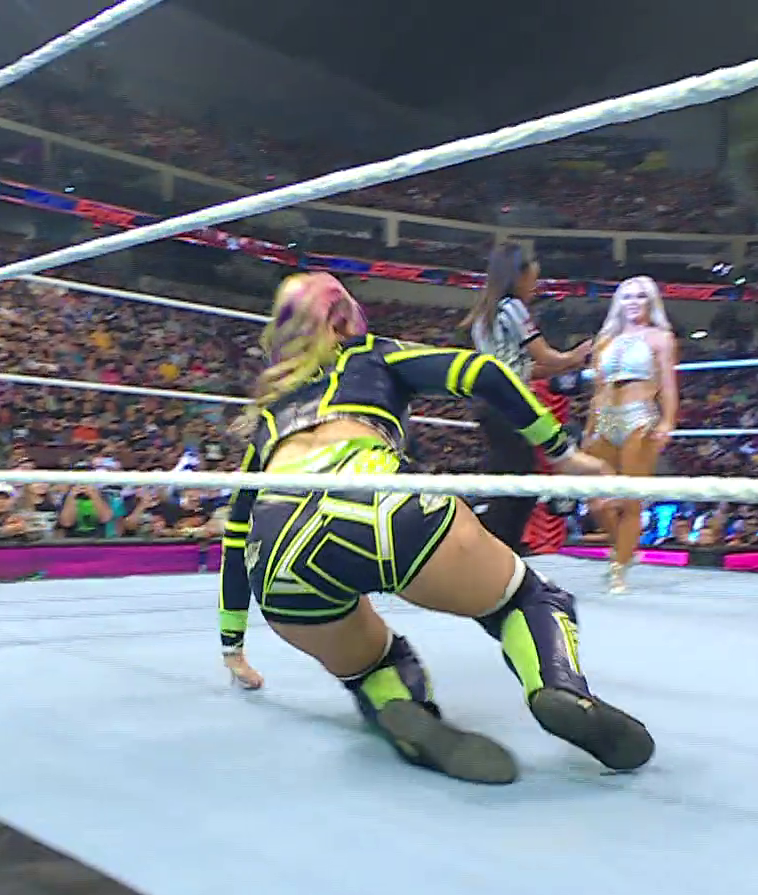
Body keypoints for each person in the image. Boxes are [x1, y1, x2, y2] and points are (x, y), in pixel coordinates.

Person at [218, 273, 653, 786]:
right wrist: (564, 454)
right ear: (342, 322)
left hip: (278, 552)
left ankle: (400, 710)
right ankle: (557, 686)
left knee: (371, 665)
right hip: (377, 501)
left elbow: (236, 531)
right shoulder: (368, 353)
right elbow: (484, 372)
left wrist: (232, 645)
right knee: (526, 600)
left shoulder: (270, 418)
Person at [461, 243, 591, 555]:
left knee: (510, 475)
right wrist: (575, 356)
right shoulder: (512, 308)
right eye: (532, 280)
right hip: (508, 404)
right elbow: (543, 355)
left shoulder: (485, 314)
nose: (534, 288)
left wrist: (566, 364)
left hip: (490, 403)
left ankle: (498, 547)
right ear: (517, 276)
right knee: (520, 479)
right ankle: (497, 549)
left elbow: (523, 367)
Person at [583, 277, 679, 593]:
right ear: (618, 303)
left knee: (630, 500)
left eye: (640, 296)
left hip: (640, 418)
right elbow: (597, 390)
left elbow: (668, 384)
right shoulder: (604, 340)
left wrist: (668, 421)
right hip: (604, 419)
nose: (634, 302)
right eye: (627, 297)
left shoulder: (661, 338)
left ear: (650, 302)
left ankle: (618, 569)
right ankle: (624, 549)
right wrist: (588, 429)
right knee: (597, 502)